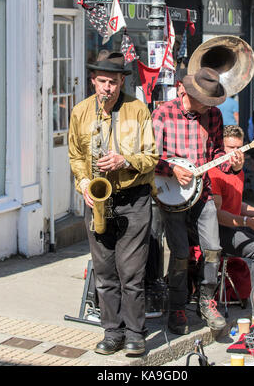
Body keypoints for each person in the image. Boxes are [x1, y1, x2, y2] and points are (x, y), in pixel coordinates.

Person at [68, 51, 158, 356]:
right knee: (104, 272)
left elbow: (151, 157)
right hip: (98, 199)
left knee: (130, 272)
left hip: (134, 199)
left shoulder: (138, 109)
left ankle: (135, 333)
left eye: (114, 82)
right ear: (94, 80)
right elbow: (76, 156)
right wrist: (83, 183)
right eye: (103, 82)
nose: (108, 89)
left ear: (122, 81)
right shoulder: (81, 112)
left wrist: (124, 161)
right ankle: (112, 331)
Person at [152, 67, 244, 334]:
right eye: (206, 101)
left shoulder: (213, 115)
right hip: (171, 196)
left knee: (213, 249)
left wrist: (233, 164)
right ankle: (177, 307)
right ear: (189, 93)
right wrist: (171, 169)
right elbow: (148, 158)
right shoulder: (163, 114)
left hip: (202, 193)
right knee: (180, 254)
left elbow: (215, 152)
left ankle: (206, 301)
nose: (210, 107)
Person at [208, 125, 254, 290]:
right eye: (230, 148)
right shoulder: (214, 172)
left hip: (235, 225)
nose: (236, 152)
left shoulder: (238, 171)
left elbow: (236, 204)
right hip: (218, 231)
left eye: (239, 147)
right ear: (221, 148)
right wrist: (247, 221)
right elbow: (217, 214)